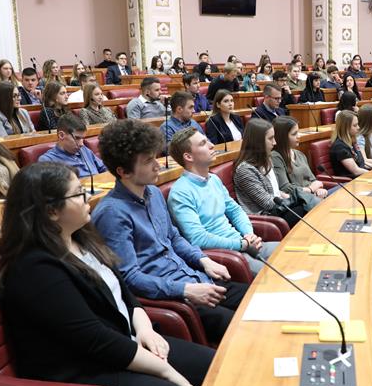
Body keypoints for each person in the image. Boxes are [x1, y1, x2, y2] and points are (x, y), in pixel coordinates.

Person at [0, 161, 260, 386]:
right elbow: (95, 341)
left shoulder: (81, 239)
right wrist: (166, 370)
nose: (88, 198)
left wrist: (144, 325)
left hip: (129, 344)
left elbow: (124, 292)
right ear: (51, 211)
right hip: (91, 372)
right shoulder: (34, 269)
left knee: (229, 373)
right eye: (79, 194)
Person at [91, 120, 247, 343]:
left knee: (259, 300)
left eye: (155, 157)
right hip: (176, 298)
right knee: (244, 328)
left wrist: (203, 260)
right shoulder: (112, 214)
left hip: (196, 277)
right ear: (123, 171)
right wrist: (185, 290)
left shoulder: (153, 193)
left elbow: (173, 236)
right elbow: (130, 277)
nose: (158, 165)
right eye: (148, 161)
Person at [168, 128, 278, 275]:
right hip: (226, 256)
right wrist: (242, 244)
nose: (212, 145)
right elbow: (198, 238)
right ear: (188, 156)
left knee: (293, 252)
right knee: (276, 276)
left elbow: (235, 210)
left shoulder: (214, 179)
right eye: (203, 143)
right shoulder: (180, 193)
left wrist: (248, 234)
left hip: (243, 243)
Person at [233, 118, 305, 227]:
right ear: (258, 142)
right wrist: (293, 199)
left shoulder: (267, 159)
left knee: (309, 203)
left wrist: (291, 197)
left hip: (278, 209)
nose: (275, 142)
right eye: (270, 138)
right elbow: (268, 203)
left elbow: (275, 192)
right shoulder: (245, 170)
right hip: (266, 218)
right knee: (306, 209)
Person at [270, 116, 327, 211]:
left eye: (298, 132)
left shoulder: (300, 154)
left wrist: (319, 190)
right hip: (301, 202)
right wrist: (310, 189)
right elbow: (285, 187)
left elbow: (313, 180)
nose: (299, 136)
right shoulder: (275, 156)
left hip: (313, 196)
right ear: (282, 137)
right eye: (294, 134)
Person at [38, 114, 106, 177]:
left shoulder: (84, 150)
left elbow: (104, 168)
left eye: (82, 138)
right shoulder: (47, 161)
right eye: (77, 138)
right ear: (61, 135)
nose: (81, 144)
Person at [329, 110, 368, 179]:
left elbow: (362, 163)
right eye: (355, 125)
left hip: (361, 178)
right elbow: (356, 171)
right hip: (349, 183)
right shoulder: (339, 146)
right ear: (345, 127)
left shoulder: (351, 141)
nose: (358, 127)